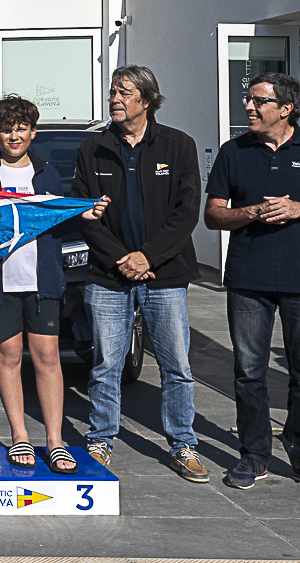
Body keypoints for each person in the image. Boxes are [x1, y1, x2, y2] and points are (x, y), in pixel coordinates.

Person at [204, 72, 300, 495]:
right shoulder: (234, 152)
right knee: (249, 372)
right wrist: (251, 213)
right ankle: (254, 454)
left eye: (258, 101)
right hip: (248, 279)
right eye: (248, 100)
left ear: (286, 108)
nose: (248, 108)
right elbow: (213, 215)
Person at [0, 94, 108, 473]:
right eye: (6, 129)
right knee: (7, 357)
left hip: (43, 281)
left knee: (48, 359)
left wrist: (86, 213)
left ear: (33, 133)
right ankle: (19, 436)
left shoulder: (48, 174)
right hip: (0, 282)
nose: (13, 136)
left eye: (21, 128)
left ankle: (55, 441)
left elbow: (57, 221)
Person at [72, 64, 207, 481]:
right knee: (105, 364)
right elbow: (84, 213)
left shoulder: (178, 146)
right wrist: (121, 259)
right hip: (109, 276)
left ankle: (183, 445)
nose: (115, 98)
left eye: (125, 92)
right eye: (113, 91)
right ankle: (100, 439)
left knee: (176, 365)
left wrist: (148, 257)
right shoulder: (92, 149)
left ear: (146, 100)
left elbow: (187, 213)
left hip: (163, 276)